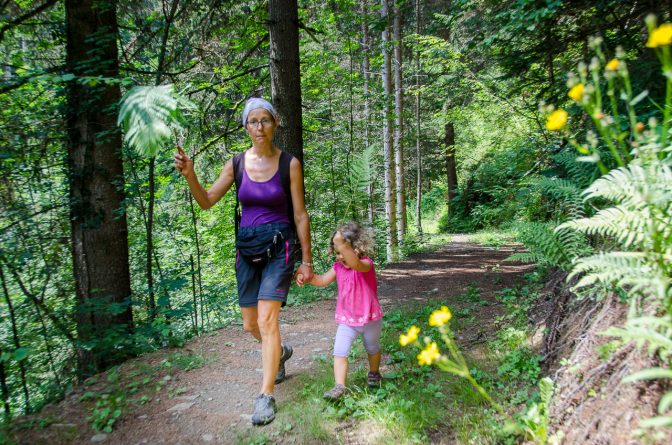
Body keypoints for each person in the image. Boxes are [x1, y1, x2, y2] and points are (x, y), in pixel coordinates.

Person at [174, 97, 314, 426]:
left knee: (267, 322)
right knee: (251, 325)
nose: (260, 127)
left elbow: (300, 214)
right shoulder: (236, 164)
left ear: (275, 124)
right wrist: (190, 173)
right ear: (246, 126)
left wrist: (306, 260)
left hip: (279, 247)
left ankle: (265, 396)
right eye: (253, 121)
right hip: (247, 250)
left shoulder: (289, 164)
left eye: (265, 120)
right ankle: (279, 354)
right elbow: (207, 201)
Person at [296, 222, 383, 400]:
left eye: (345, 250)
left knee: (372, 347)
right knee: (339, 351)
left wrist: (342, 244)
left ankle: (374, 373)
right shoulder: (338, 268)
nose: (341, 256)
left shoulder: (366, 264)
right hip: (347, 320)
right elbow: (320, 281)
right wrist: (307, 277)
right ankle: (339, 386)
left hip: (370, 319)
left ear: (359, 247)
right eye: (337, 252)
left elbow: (356, 263)